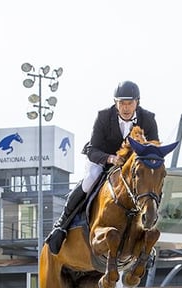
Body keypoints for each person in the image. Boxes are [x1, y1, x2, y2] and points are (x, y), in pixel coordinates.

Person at [45, 80, 159, 254]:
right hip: (102, 159)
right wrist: (111, 159)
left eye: (129, 103)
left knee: (151, 182)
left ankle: (149, 231)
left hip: (131, 166)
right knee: (90, 180)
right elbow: (92, 149)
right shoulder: (104, 117)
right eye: (121, 103)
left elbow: (153, 148)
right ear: (115, 103)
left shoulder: (148, 118)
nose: (126, 108)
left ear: (137, 102)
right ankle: (61, 225)